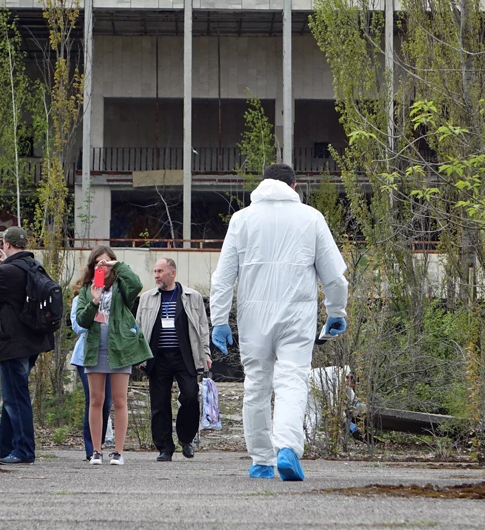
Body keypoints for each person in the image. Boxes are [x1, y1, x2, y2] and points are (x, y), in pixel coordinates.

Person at [210, 163, 349, 481]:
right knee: (292, 382)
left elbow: (222, 277)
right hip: (296, 316)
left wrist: (218, 319)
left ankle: (261, 460)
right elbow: (334, 279)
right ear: (294, 186)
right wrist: (336, 312)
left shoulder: (241, 220)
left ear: (262, 185)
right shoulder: (311, 218)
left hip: (252, 318)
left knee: (256, 386)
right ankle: (287, 448)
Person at [0, 226, 54, 465]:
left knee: (16, 398)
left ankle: (24, 450)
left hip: (12, 343)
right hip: (31, 341)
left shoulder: (9, 271)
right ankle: (7, 447)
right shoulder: (32, 266)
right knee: (12, 395)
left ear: (7, 244)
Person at [75, 246, 152, 465]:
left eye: (107, 262)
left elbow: (136, 284)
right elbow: (82, 320)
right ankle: (96, 451)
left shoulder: (121, 287)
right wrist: (94, 301)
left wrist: (118, 265)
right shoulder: (87, 290)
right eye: (98, 262)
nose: (103, 266)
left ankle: (118, 452)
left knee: (119, 401)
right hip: (95, 349)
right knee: (96, 400)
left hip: (119, 348)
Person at [136, 258, 212, 462]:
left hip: (185, 355)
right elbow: (139, 328)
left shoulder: (191, 296)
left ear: (173, 273)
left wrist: (206, 353)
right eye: (154, 271)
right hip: (157, 357)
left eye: (160, 271)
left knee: (190, 395)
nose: (156, 275)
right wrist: (138, 356)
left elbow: (203, 328)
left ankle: (185, 439)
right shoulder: (147, 298)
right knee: (159, 404)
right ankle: (164, 448)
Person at [70, 291, 111, 461]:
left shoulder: (115, 297)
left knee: (107, 403)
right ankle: (91, 448)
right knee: (94, 400)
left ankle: (98, 443)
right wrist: (93, 304)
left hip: (110, 356)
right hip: (87, 356)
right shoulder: (80, 299)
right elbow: (78, 327)